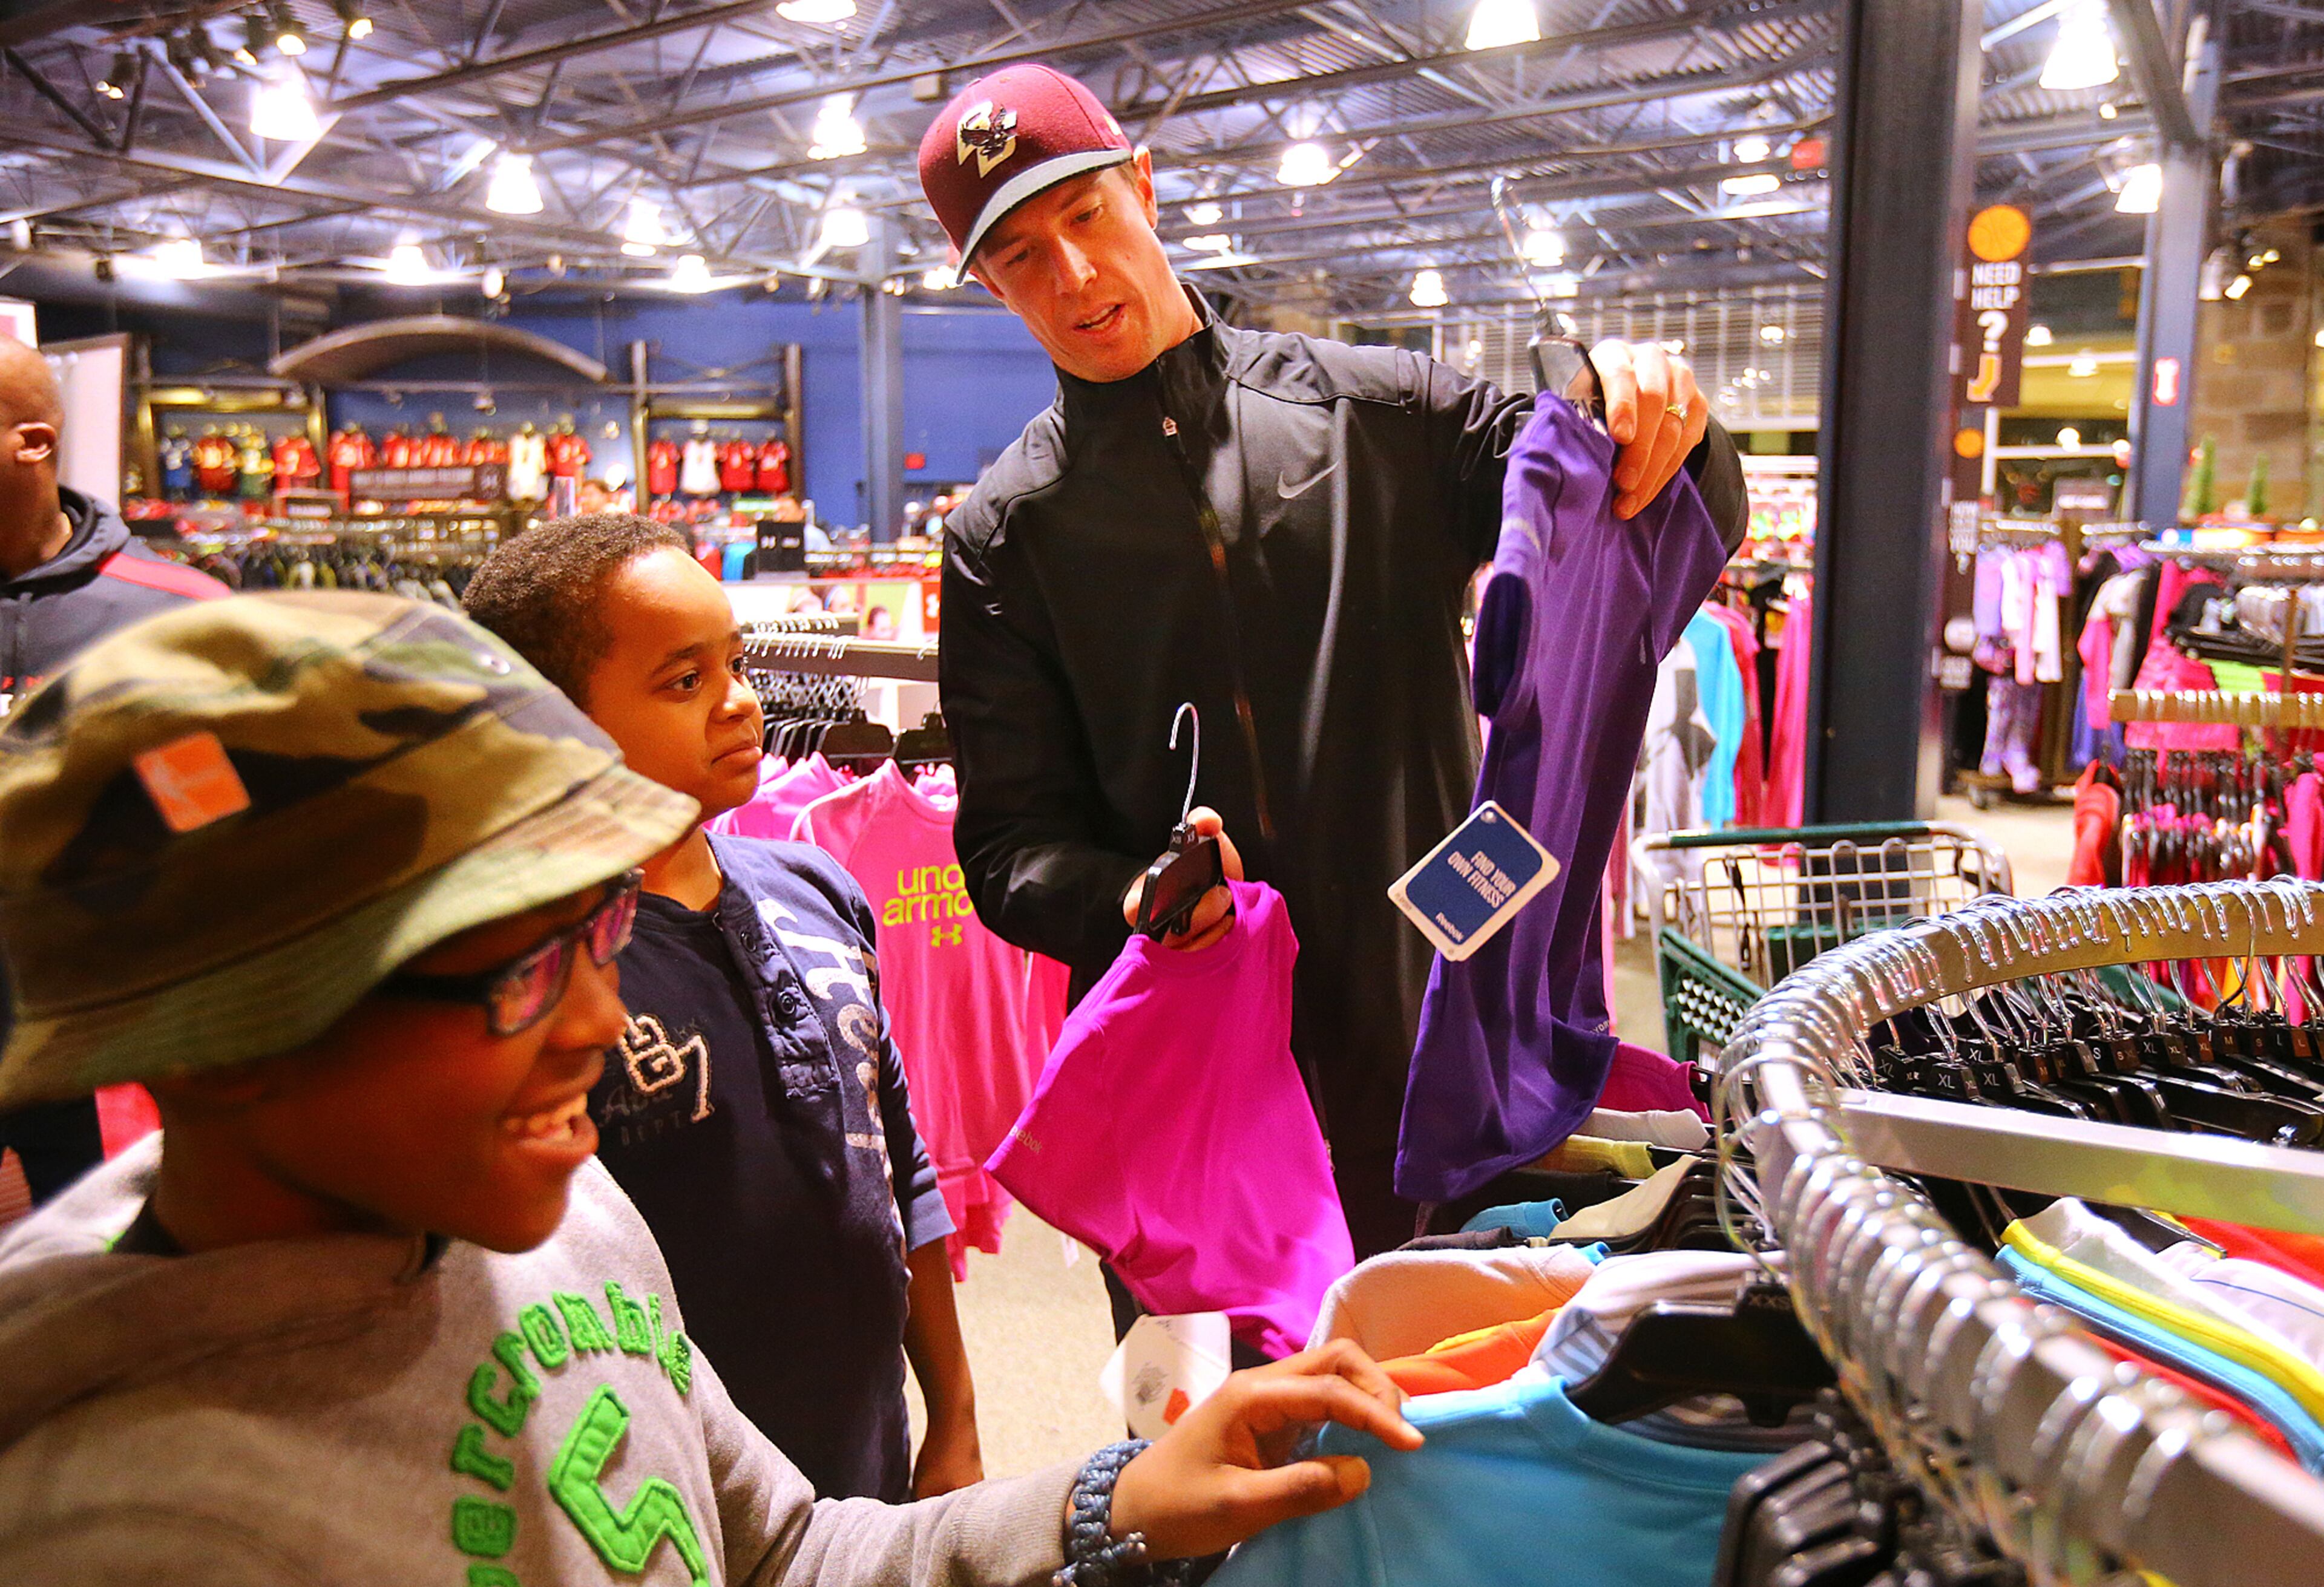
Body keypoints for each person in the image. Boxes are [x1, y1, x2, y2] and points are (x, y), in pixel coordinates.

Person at [0, 591, 1423, 1584]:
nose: (602, 1017)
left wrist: (1109, 1504)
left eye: (596, 932)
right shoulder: (130, 1526)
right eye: (510, 974)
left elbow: (785, 1551)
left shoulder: (562, 1220)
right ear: (222, 1045)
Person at [919, 66, 1750, 1259]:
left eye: (1086, 218)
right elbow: (1006, 849)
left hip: (1439, 1058)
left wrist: (1653, 412)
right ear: (992, 284)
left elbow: (1624, 506)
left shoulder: (1385, 415)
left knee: (1450, 1403)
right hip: (1200, 1088)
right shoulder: (1005, 534)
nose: (1075, 277)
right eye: (1021, 258)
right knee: (1234, 1435)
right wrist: (1135, 897)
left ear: (1143, 189)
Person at [462, 515, 980, 1502]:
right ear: (549, 722)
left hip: (863, 1471)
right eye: (684, 681)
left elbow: (896, 1160)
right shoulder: (542, 976)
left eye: (735, 664)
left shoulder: (818, 889)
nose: (742, 704)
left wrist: (953, 1414)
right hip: (654, 1495)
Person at [0, 333, 226, 1208]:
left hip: (111, 1035)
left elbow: (217, 818)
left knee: (119, 1280)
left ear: (33, 444)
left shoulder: (177, 614)